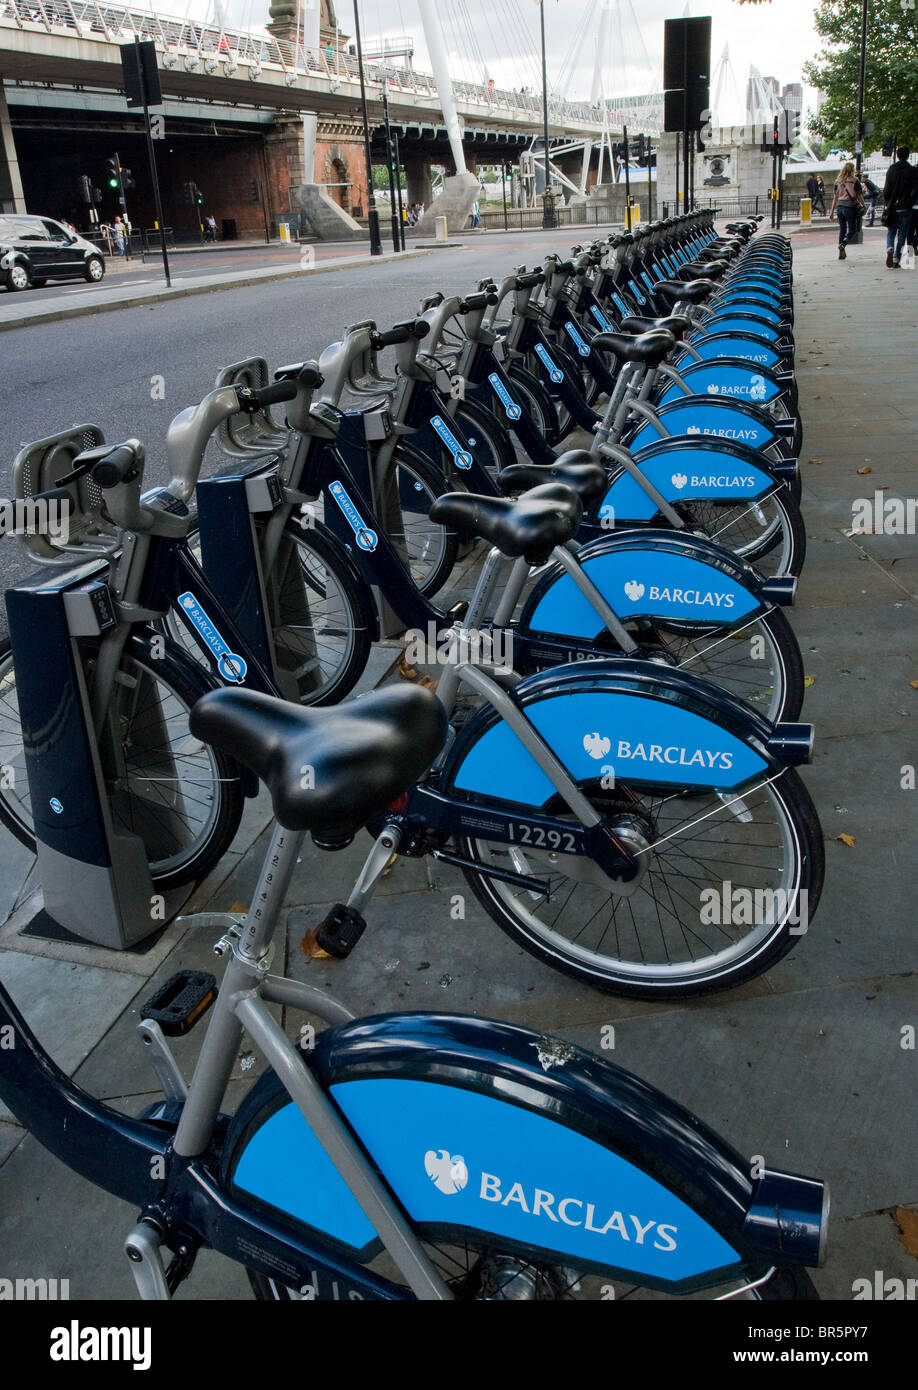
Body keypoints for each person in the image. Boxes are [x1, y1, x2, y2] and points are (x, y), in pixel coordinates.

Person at [882, 146, 917, 268]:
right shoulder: (911, 170)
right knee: (902, 234)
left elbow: (886, 190)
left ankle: (889, 247)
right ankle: (896, 258)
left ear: (897, 156)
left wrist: (888, 202)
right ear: (907, 156)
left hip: (893, 206)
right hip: (906, 207)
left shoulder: (891, 169)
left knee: (891, 231)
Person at [829, 163, 866, 259]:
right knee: (852, 229)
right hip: (850, 207)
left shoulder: (838, 181)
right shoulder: (855, 181)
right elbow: (859, 195)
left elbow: (835, 198)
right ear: (852, 170)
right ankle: (844, 242)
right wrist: (863, 205)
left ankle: (841, 249)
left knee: (842, 229)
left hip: (840, 207)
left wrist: (832, 212)